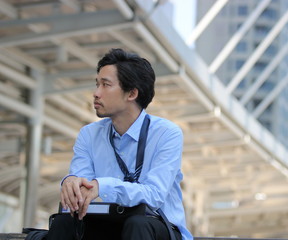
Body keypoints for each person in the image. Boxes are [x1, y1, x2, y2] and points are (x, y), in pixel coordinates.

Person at [47, 48, 193, 240]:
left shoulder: (167, 134)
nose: (96, 93)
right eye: (97, 84)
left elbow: (154, 196)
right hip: (107, 223)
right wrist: (71, 183)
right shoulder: (88, 134)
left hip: (156, 225)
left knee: (138, 224)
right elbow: (83, 183)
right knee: (63, 223)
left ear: (131, 93)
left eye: (106, 85)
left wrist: (102, 186)